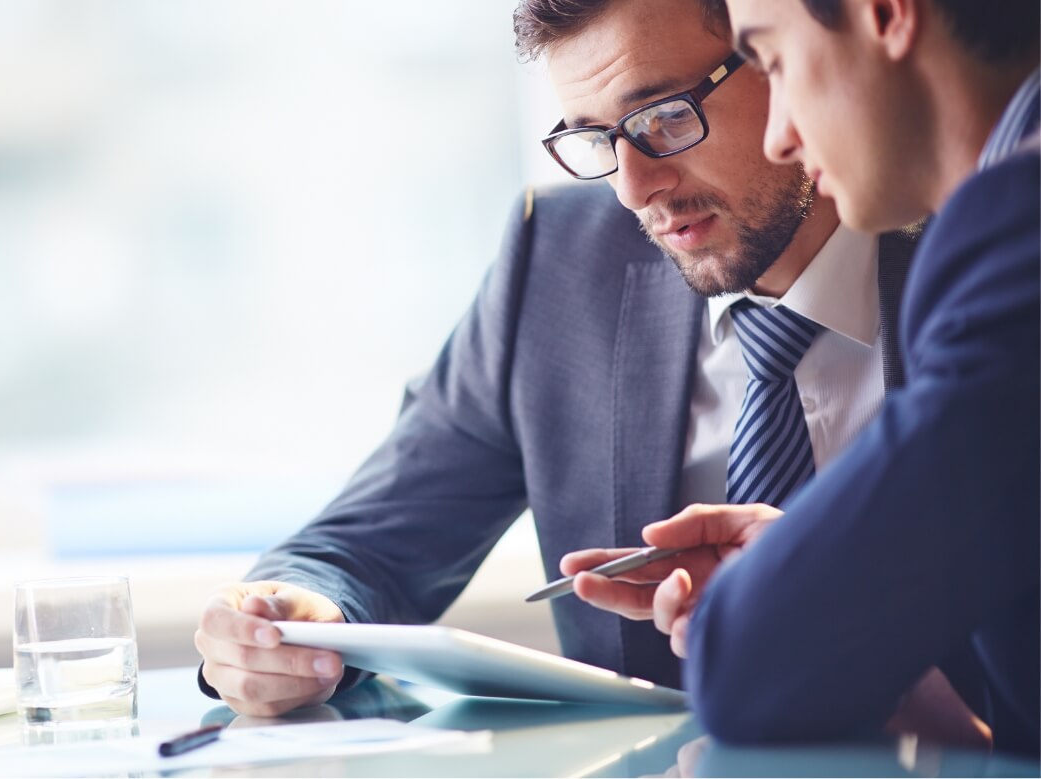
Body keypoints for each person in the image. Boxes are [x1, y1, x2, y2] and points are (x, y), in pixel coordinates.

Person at [193, 0, 917, 717]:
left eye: (665, 116)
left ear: (780, 58)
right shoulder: (560, 263)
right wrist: (285, 618)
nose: (634, 190)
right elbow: (368, 542)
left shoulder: (990, 250)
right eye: (593, 138)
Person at [567, 0, 1039, 756]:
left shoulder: (1017, 225)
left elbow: (742, 669)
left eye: (775, 62)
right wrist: (829, 581)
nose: (782, 132)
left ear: (884, 13)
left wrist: (789, 601)